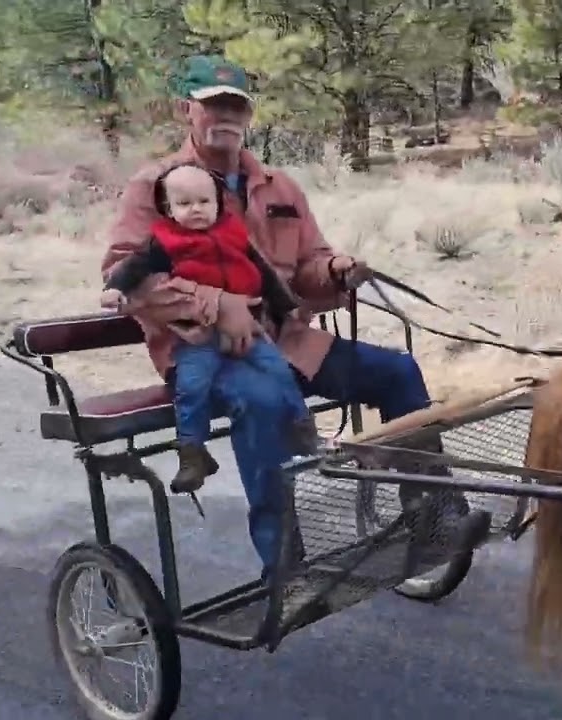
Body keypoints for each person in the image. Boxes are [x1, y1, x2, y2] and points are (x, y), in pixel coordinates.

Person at [102, 54, 491, 579]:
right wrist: (217, 305)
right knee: (263, 404)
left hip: (287, 343)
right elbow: (126, 275)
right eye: (213, 105)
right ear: (184, 110)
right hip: (208, 354)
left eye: (236, 107)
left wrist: (335, 271)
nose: (226, 117)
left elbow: (308, 265)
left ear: (249, 115)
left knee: (397, 371)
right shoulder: (156, 186)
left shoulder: (279, 187)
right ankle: (285, 564)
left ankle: (436, 516)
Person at [101, 162, 320, 495]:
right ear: (168, 209)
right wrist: (116, 288)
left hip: (248, 328)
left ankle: (301, 426)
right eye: (184, 203)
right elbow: (134, 268)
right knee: (191, 387)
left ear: (218, 203)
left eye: (204, 201)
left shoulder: (234, 234)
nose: (196, 209)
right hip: (198, 335)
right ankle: (192, 453)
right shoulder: (164, 242)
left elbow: (263, 274)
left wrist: (287, 305)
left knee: (278, 369)